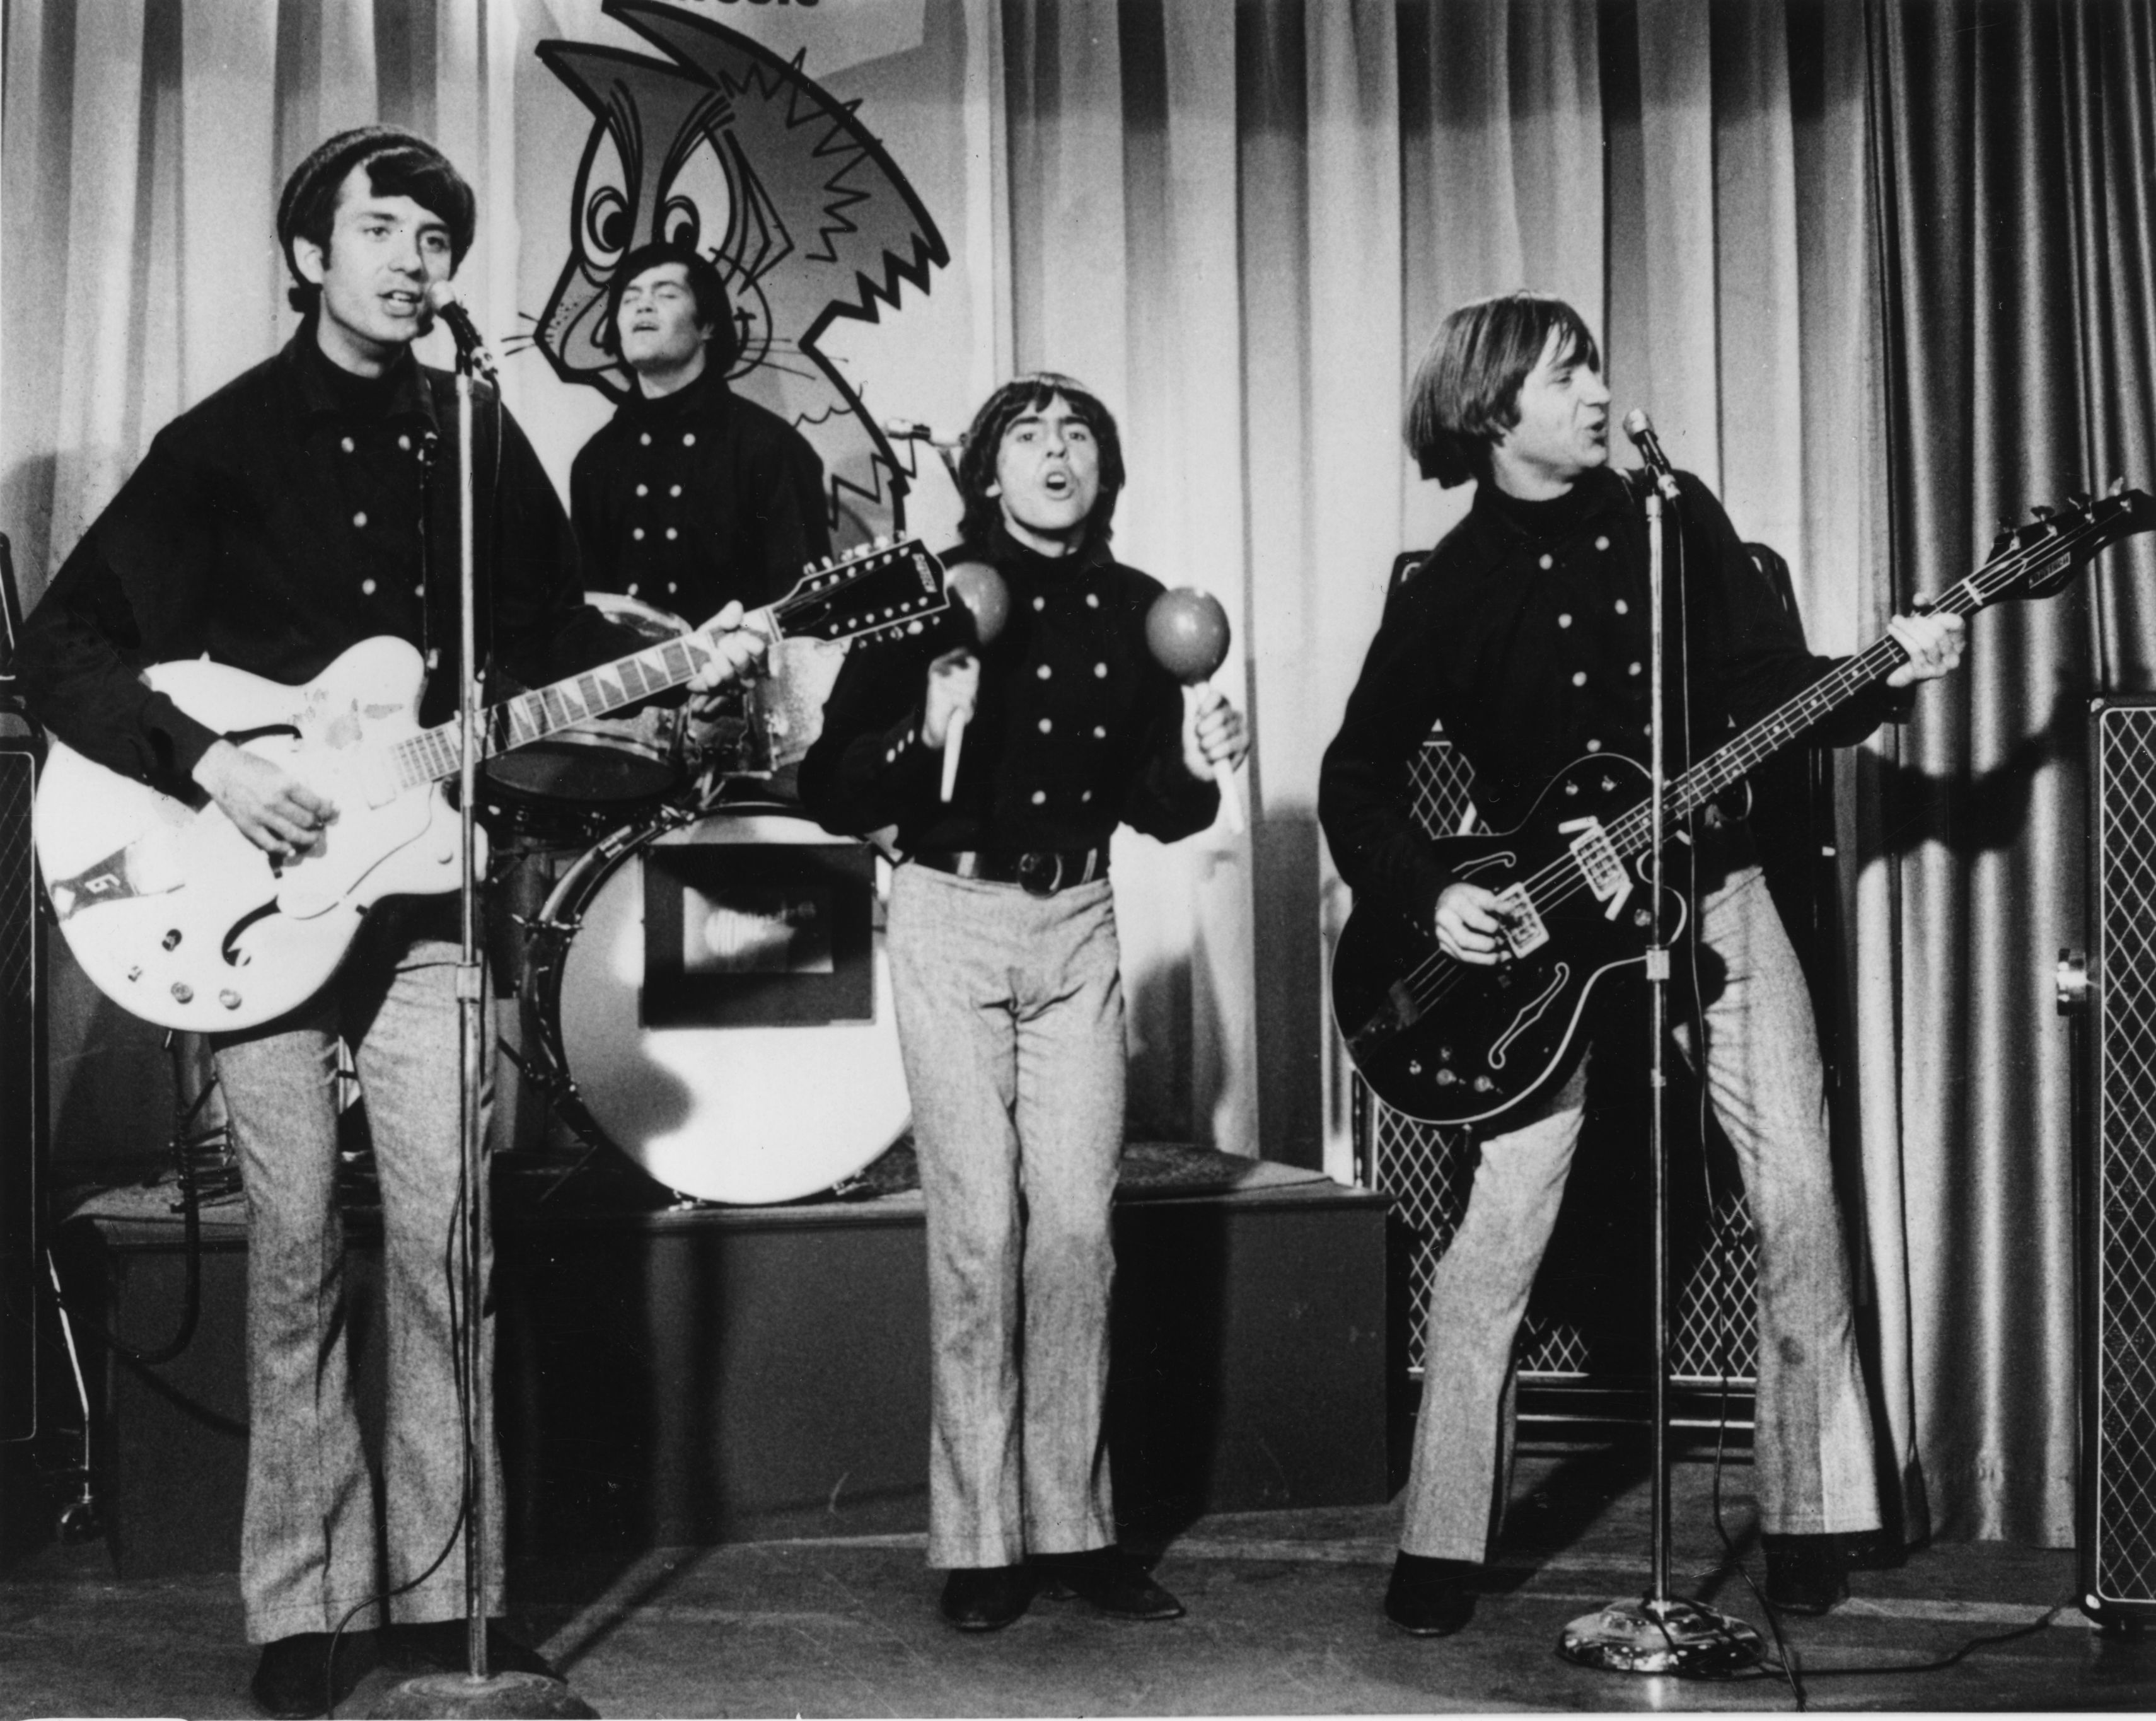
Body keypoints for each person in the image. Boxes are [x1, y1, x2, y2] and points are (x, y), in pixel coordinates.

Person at [16, 127, 761, 1717]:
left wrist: (672, 661)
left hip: (427, 893)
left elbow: (546, 636)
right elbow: (62, 643)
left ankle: (446, 1605)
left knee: (447, 1246)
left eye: (436, 234)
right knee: (295, 1259)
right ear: (308, 259)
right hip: (257, 909)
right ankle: (304, 1611)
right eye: (380, 228)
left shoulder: (479, 435)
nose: (416, 257)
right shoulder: (219, 443)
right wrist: (210, 762)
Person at [1318, 291, 1966, 1637]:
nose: (1601, 389)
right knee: (1498, 1235)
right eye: (1569, 373)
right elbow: (1356, 776)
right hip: (1541, 948)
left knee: (1797, 1194)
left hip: (1713, 894)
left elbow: (1771, 687)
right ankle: (1440, 1547)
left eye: (1597, 364)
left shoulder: (1674, 517)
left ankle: (1809, 1520)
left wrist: (1889, 671)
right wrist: (1437, 897)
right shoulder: (1449, 593)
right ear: (1494, 411)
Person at [799, 374, 1246, 1632]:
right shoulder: (924, 599)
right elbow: (831, 785)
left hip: (1078, 927)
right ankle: (984, 1544)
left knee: (1075, 1236)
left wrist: (1203, 766)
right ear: (989, 469)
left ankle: (1077, 1531)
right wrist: (917, 732)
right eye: (1030, 437)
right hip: (948, 916)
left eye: (1081, 438)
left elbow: (1162, 810)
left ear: (1105, 471)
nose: (1059, 454)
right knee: (980, 1235)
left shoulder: (1146, 612)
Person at [569, 240, 830, 621]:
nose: (643, 305)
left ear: (707, 324)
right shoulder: (596, 460)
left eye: (667, 294)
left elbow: (807, 610)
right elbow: (589, 611)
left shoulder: (768, 445)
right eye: (630, 298)